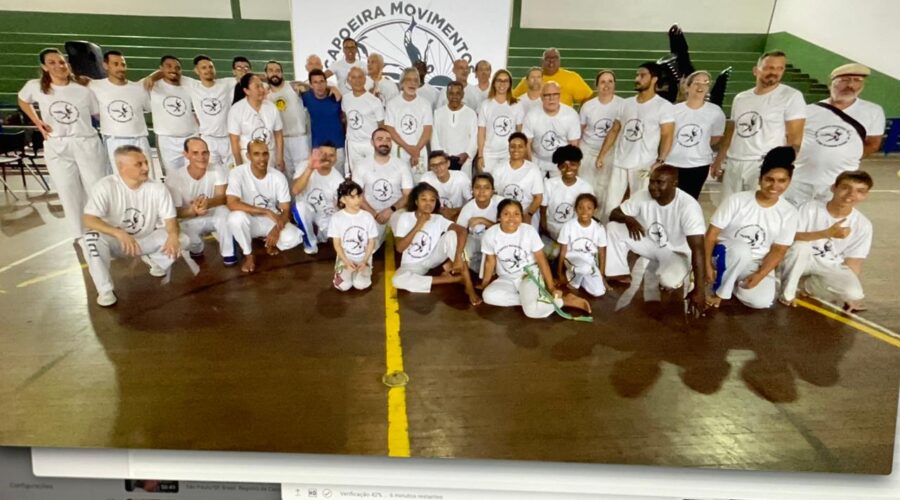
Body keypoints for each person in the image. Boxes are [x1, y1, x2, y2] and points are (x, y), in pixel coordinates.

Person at [17, 48, 109, 238]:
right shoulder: (35, 86)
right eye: (52, 62)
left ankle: (102, 229)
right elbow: (22, 100)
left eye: (61, 62)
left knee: (95, 186)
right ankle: (79, 232)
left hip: (85, 142)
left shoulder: (83, 89)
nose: (59, 66)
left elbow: (97, 113)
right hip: (57, 144)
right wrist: (38, 122)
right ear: (44, 66)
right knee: (67, 189)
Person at [82, 145, 189, 307]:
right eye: (139, 164)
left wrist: (173, 236)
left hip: (144, 240)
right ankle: (105, 290)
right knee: (89, 239)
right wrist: (117, 233)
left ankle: (155, 260)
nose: (146, 167)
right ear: (121, 167)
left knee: (183, 239)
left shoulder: (158, 189)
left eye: (145, 162)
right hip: (116, 242)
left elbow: (170, 221)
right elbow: (89, 219)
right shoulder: (106, 186)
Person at [705, 146, 799, 309]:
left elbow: (779, 250)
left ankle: (730, 281)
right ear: (760, 179)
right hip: (724, 255)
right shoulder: (737, 200)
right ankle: (719, 291)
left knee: (760, 302)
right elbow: (711, 235)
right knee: (741, 249)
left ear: (789, 182)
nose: (774, 186)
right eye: (769, 179)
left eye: (781, 181)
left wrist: (760, 275)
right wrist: (706, 265)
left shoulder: (789, 212)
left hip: (755, 262)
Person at [606, 166, 707, 315]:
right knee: (613, 227)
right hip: (651, 244)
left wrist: (700, 290)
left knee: (668, 282)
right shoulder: (643, 195)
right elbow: (614, 214)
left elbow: (698, 249)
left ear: (674, 183)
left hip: (677, 253)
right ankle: (619, 272)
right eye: (651, 181)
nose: (653, 187)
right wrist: (628, 219)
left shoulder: (689, 207)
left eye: (660, 182)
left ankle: (681, 272)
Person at [784, 63, 885, 207]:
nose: (850, 85)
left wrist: (844, 156)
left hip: (839, 183)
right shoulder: (809, 110)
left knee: (829, 221)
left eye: (857, 80)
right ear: (831, 83)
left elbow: (873, 143)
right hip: (800, 179)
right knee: (792, 220)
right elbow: (791, 140)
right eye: (844, 80)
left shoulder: (873, 111)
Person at [713, 51, 806, 203]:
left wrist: (782, 169)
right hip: (734, 162)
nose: (774, 72)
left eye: (779, 68)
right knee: (729, 208)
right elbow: (732, 130)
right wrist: (720, 158)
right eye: (769, 67)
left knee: (757, 210)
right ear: (756, 70)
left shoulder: (791, 96)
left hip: (762, 164)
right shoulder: (741, 98)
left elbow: (795, 138)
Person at [480, 199, 591, 318]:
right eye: (506, 214)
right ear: (498, 217)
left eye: (516, 214)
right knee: (488, 296)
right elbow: (490, 261)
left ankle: (564, 301)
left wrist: (551, 287)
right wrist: (485, 284)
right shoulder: (491, 234)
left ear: (521, 217)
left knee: (532, 312)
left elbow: (541, 260)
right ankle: (533, 301)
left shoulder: (528, 231)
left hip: (528, 276)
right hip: (507, 278)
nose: (511, 218)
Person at [780, 171, 873, 312]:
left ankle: (806, 285)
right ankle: (786, 294)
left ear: (865, 196)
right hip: (799, 258)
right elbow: (788, 238)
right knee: (800, 247)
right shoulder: (809, 208)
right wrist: (826, 233)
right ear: (833, 188)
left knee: (854, 293)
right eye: (845, 188)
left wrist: (846, 293)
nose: (851, 195)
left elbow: (854, 262)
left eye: (860, 191)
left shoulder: (863, 224)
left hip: (828, 264)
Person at [597, 62, 675, 217]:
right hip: (620, 161)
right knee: (611, 204)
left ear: (654, 79)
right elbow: (614, 130)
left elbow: (667, 135)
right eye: (637, 75)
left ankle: (639, 238)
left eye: (642, 75)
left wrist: (660, 161)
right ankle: (607, 235)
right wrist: (601, 155)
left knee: (641, 206)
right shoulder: (626, 104)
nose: (637, 78)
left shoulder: (663, 106)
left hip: (644, 165)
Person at [392, 182, 481, 305]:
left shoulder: (438, 219)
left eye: (432, 200)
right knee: (397, 280)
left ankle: (469, 285)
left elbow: (461, 230)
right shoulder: (405, 218)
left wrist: (457, 257)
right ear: (416, 201)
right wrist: (419, 224)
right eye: (424, 199)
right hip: (411, 265)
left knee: (451, 235)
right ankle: (450, 279)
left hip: (431, 259)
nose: (428, 203)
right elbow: (400, 248)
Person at [225, 140, 303, 273]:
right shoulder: (237, 173)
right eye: (256, 154)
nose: (262, 158)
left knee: (294, 237)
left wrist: (276, 229)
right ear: (248, 156)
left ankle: (269, 241)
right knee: (235, 219)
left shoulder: (278, 177)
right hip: (249, 219)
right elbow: (232, 203)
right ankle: (249, 255)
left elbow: (286, 210)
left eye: (265, 154)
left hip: (271, 221)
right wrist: (265, 211)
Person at [165, 137, 233, 263]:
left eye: (204, 152)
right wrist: (193, 210)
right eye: (195, 153)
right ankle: (196, 247)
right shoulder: (174, 177)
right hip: (188, 220)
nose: (201, 157)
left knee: (225, 212)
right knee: (195, 248)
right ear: (186, 155)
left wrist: (208, 203)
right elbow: (174, 212)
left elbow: (223, 198)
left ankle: (229, 254)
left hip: (211, 215)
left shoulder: (217, 169)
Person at [83, 50, 152, 171]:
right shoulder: (94, 86)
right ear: (105, 66)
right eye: (115, 64)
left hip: (140, 140)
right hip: (114, 141)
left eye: (123, 64)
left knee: (145, 178)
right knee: (119, 181)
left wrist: (154, 76)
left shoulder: (138, 88)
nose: (121, 68)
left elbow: (151, 107)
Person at [666, 70, 726, 200]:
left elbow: (715, 138)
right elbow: (666, 136)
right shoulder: (673, 110)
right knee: (669, 199)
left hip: (698, 165)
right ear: (687, 87)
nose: (701, 86)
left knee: (690, 201)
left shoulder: (715, 112)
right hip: (673, 163)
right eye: (697, 82)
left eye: (705, 83)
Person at [351, 127, 414, 247]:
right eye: (380, 139)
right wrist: (374, 214)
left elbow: (408, 194)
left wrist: (391, 210)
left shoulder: (401, 165)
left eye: (388, 140)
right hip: (371, 213)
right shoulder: (360, 166)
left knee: (407, 234)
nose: (384, 142)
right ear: (372, 142)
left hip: (396, 212)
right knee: (365, 246)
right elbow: (357, 195)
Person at [143, 55, 198, 174]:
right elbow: (144, 83)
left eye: (177, 67)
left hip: (191, 138)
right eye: (168, 66)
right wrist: (153, 76)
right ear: (160, 68)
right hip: (166, 140)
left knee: (195, 174)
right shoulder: (153, 85)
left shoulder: (188, 83)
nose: (173, 70)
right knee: (172, 177)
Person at [578, 70, 623, 210]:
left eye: (610, 81)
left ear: (615, 84)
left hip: (611, 151)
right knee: (586, 186)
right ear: (596, 85)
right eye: (603, 82)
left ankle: (602, 221)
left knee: (606, 188)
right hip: (588, 149)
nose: (607, 85)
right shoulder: (588, 106)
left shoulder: (623, 105)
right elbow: (580, 130)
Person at [291, 144, 344, 255]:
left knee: (339, 242)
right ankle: (310, 245)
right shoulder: (305, 166)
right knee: (299, 207)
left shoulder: (338, 179)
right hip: (308, 211)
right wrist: (310, 169)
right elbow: (295, 190)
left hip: (326, 214)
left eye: (331, 155)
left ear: (335, 159)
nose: (326, 158)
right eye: (323, 154)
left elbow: (340, 208)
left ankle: (319, 233)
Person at [522, 81, 581, 178]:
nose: (551, 98)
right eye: (547, 95)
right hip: (537, 161)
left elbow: (573, 145)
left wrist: (570, 168)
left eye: (555, 94)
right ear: (541, 97)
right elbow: (526, 143)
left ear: (559, 96)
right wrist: (530, 166)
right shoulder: (532, 115)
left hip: (561, 163)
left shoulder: (571, 114)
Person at [227, 73, 285, 170]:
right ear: (246, 91)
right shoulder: (236, 109)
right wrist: (239, 165)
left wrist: (279, 158)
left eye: (261, 85)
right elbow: (234, 141)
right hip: (247, 158)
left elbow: (278, 134)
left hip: (269, 155)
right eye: (257, 87)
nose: (262, 90)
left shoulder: (271, 107)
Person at [540, 145, 595, 247]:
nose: (568, 169)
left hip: (573, 232)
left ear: (579, 164)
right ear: (559, 167)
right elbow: (543, 207)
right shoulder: (549, 184)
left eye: (573, 164)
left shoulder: (586, 188)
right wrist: (544, 228)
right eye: (563, 165)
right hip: (552, 231)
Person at [329, 180, 379, 291]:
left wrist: (364, 260)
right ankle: (340, 273)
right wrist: (346, 261)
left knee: (360, 285)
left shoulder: (367, 217)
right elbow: (337, 244)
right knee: (342, 286)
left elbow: (371, 241)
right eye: (352, 197)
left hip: (363, 257)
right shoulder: (336, 218)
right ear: (342, 200)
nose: (358, 200)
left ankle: (365, 269)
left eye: (359, 196)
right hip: (345, 257)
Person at [385, 67, 433, 179]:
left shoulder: (425, 104)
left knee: (419, 184)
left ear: (419, 84)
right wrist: (408, 148)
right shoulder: (392, 104)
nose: (412, 83)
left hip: (419, 152)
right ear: (402, 83)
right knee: (399, 183)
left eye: (415, 80)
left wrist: (416, 151)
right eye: (408, 80)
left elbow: (427, 131)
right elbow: (390, 129)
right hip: (399, 151)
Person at [265, 60, 310, 180]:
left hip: (299, 138)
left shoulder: (293, 86)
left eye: (278, 71)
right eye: (271, 71)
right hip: (280, 141)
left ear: (282, 73)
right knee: (286, 176)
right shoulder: (264, 95)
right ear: (266, 74)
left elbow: (315, 87)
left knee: (304, 174)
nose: (275, 73)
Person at [557, 193, 608, 297]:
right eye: (581, 208)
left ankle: (577, 277)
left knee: (599, 292)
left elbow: (602, 252)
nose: (585, 211)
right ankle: (574, 283)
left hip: (590, 263)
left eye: (589, 208)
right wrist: (559, 273)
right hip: (572, 259)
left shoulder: (599, 228)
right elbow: (563, 251)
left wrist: (601, 275)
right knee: (584, 268)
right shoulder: (568, 226)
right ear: (576, 209)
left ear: (595, 210)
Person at [188, 55, 234, 168]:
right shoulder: (191, 85)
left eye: (211, 67)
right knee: (213, 175)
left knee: (232, 172)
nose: (208, 70)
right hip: (208, 139)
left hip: (228, 139)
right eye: (204, 68)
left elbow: (248, 78)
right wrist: (152, 78)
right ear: (196, 71)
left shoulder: (226, 84)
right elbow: (166, 72)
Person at [476, 69, 524, 174]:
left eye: (505, 81)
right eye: (499, 80)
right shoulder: (485, 104)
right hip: (489, 153)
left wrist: (520, 154)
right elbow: (481, 132)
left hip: (509, 153)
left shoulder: (517, 104)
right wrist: (480, 155)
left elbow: (519, 132)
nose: (502, 84)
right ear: (494, 83)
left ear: (510, 84)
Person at [300, 69, 346, 175]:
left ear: (326, 82)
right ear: (310, 85)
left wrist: (333, 88)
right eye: (315, 82)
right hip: (318, 148)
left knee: (338, 179)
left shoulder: (336, 96)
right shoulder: (306, 97)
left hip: (338, 147)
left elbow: (345, 117)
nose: (319, 85)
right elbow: (293, 85)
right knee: (320, 180)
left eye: (321, 81)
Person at [491, 132, 544, 226]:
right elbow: (493, 194)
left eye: (520, 146)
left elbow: (538, 198)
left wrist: (528, 214)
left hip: (527, 213)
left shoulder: (533, 169)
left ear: (525, 148)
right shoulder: (498, 168)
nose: (516, 149)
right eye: (513, 146)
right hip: (504, 214)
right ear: (508, 148)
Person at [512, 48, 592, 107]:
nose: (551, 61)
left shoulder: (572, 77)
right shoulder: (530, 80)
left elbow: (588, 98)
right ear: (542, 61)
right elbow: (512, 99)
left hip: (563, 123)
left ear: (560, 61)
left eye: (555, 58)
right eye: (548, 58)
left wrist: (581, 116)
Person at [456, 172, 502, 273]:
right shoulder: (468, 208)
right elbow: (460, 231)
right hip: (475, 239)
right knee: (463, 250)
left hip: (495, 240)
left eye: (486, 188)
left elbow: (507, 227)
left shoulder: (500, 203)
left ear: (492, 191)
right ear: (472, 191)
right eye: (477, 187)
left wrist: (483, 220)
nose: (481, 191)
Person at [341, 66, 384, 172]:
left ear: (365, 79)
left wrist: (378, 144)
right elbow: (345, 120)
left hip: (370, 144)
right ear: (349, 80)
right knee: (355, 177)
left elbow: (381, 126)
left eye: (360, 77)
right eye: (354, 77)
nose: (357, 81)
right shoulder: (346, 99)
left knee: (374, 174)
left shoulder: (374, 101)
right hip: (352, 145)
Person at [431, 82, 478, 175]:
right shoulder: (438, 113)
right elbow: (434, 137)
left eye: (458, 93)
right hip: (443, 161)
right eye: (451, 93)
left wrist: (467, 154)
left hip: (464, 161)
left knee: (463, 186)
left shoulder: (471, 114)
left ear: (463, 95)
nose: (454, 97)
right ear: (446, 95)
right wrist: (442, 156)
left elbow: (475, 137)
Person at [420, 150, 473, 220]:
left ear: (448, 163)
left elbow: (473, 202)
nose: (438, 168)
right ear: (430, 167)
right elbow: (420, 203)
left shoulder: (461, 177)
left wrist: (455, 211)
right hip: (435, 214)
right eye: (434, 165)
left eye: (441, 164)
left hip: (458, 215)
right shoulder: (426, 178)